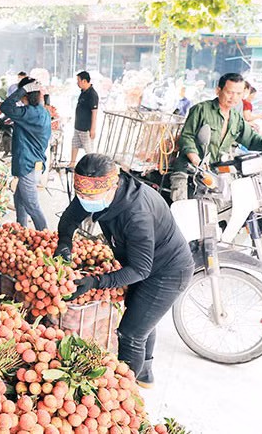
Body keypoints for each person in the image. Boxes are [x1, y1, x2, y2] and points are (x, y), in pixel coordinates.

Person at [56, 154, 195, 388]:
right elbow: (70, 219)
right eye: (82, 196)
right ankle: (145, 374)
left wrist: (96, 281)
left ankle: (123, 393)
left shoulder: (136, 213)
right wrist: (64, 244)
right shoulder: (95, 192)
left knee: (131, 333)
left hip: (168, 271)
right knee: (140, 316)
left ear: (113, 185)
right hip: (143, 262)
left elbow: (141, 269)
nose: (86, 201)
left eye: (91, 196)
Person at [169, 73, 262, 202]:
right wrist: (197, 161)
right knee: (181, 207)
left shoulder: (236, 117)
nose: (234, 97)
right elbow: (187, 136)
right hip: (189, 170)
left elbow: (251, 138)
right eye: (230, 92)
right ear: (218, 90)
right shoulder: (201, 109)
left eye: (239, 94)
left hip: (215, 172)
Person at [0, 77, 51, 231]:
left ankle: (46, 235)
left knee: (32, 205)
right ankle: (21, 231)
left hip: (29, 165)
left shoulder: (29, 113)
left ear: (25, 96)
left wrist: (24, 89)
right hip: (33, 163)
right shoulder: (41, 112)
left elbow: (6, 106)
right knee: (20, 200)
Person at [70, 71, 99, 165]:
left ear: (84, 81)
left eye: (78, 80)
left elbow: (94, 112)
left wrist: (92, 129)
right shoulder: (83, 92)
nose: (77, 83)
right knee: (74, 144)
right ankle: (72, 163)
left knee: (88, 150)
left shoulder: (92, 94)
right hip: (78, 126)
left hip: (86, 128)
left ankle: (92, 167)